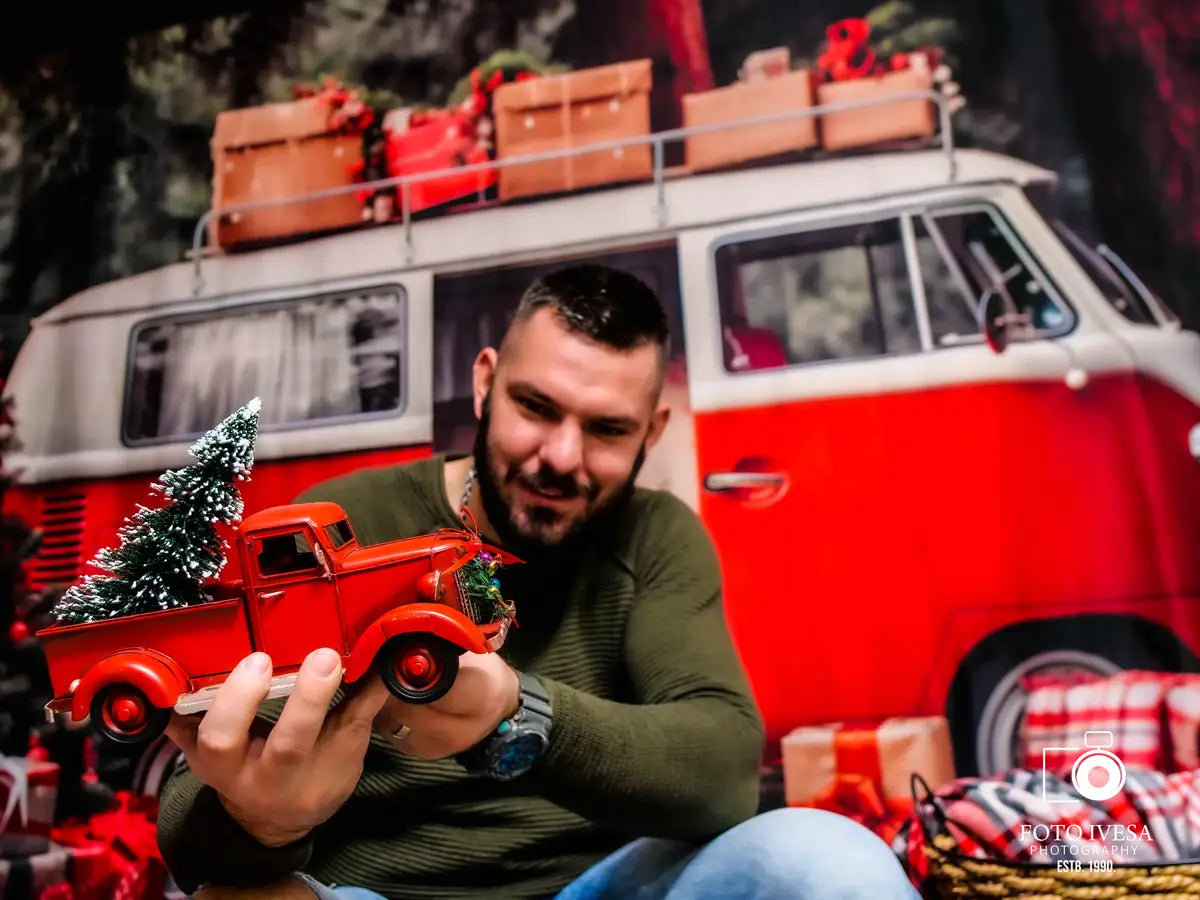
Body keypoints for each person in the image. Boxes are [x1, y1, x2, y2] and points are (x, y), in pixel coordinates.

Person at [155, 264, 920, 900]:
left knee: (830, 861)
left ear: (652, 433)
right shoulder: (347, 522)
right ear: (485, 384)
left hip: (602, 887)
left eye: (607, 429)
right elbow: (188, 827)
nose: (560, 456)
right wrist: (265, 821)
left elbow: (723, 775)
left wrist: (515, 712)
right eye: (535, 407)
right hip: (375, 893)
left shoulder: (654, 536)